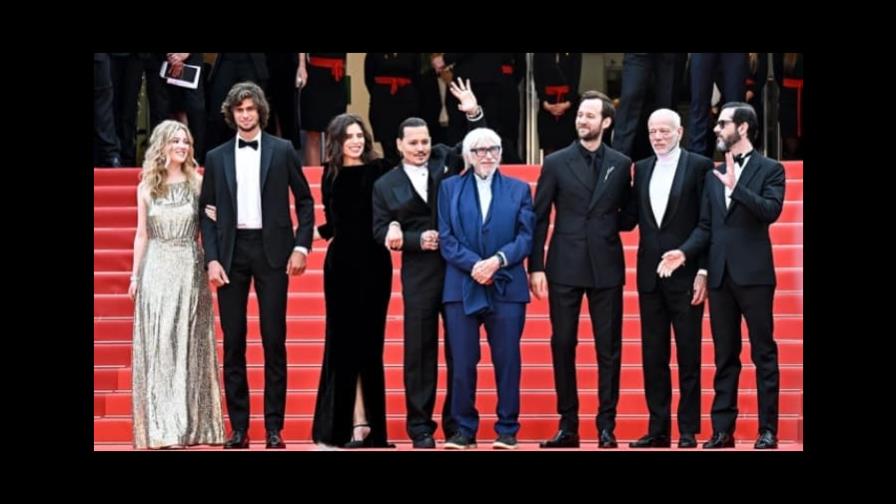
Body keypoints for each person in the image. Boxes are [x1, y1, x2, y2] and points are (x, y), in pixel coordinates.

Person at [658, 102, 785, 449]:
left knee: (763, 354)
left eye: (723, 124)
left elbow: (770, 211)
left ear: (742, 128)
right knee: (724, 355)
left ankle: (767, 430)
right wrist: (686, 253)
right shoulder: (712, 173)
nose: (716, 129)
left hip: (755, 275)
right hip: (719, 276)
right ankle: (722, 431)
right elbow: (706, 225)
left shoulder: (771, 169)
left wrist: (736, 188)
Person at [199, 82, 315, 449]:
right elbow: (206, 213)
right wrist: (212, 258)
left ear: (260, 111)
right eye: (239, 109)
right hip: (232, 253)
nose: (245, 114)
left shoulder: (282, 151)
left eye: (251, 108)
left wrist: (301, 247)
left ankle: (274, 429)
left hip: (273, 252)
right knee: (233, 342)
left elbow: (306, 202)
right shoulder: (216, 157)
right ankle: (238, 429)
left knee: (273, 340)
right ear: (231, 114)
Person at [371, 77, 484, 448]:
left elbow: (477, 146)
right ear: (399, 145)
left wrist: (473, 113)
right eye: (413, 143)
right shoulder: (385, 184)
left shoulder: (445, 160)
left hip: (455, 270)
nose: (421, 149)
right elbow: (379, 229)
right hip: (418, 274)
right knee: (418, 353)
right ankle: (420, 428)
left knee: (459, 349)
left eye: (424, 142)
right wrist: (417, 239)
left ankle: (458, 425)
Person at [529, 90, 632, 449]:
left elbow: (630, 216)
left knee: (609, 349)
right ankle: (568, 425)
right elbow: (539, 217)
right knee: (562, 344)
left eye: (590, 116)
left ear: (606, 122)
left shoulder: (621, 163)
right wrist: (536, 266)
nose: (582, 120)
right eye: (580, 115)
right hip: (564, 265)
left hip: (605, 264)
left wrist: (605, 224)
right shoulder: (556, 162)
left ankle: (607, 426)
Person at [618, 109, 713, 448]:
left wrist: (702, 269)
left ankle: (687, 431)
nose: (657, 137)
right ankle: (658, 429)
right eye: (652, 131)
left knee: (689, 356)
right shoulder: (641, 168)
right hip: (649, 278)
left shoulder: (700, 166)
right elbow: (628, 217)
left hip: (687, 276)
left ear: (680, 132)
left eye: (664, 131)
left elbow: (708, 221)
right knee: (653, 356)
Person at [129, 120, 225, 449]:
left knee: (187, 343)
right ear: (162, 146)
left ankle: (188, 425)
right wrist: (134, 275)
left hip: (188, 265)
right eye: (175, 141)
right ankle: (162, 428)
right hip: (156, 266)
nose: (182, 146)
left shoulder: (198, 183)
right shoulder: (146, 186)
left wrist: (214, 216)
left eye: (185, 140)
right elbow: (141, 234)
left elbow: (210, 221)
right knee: (161, 344)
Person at [437, 127, 534, 449]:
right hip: (461, 285)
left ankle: (507, 429)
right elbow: (446, 237)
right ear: (468, 155)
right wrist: (475, 265)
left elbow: (526, 236)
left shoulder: (519, 189)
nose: (487, 155)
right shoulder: (449, 188)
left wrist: (497, 260)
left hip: (506, 285)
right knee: (462, 361)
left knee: (508, 361)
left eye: (493, 148)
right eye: (479, 150)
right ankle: (464, 430)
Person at [310, 113, 395, 449]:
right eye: (350, 136)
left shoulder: (381, 170)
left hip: (375, 264)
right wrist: (308, 236)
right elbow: (335, 223)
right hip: (341, 267)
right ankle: (350, 426)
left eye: (360, 135)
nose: (357, 141)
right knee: (344, 347)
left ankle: (371, 428)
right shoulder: (329, 175)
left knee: (370, 347)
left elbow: (386, 212)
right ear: (338, 141)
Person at [364, 53, 421, 167]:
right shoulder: (372, 55)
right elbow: (369, 79)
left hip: (407, 101)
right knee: (388, 143)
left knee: (406, 139)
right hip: (383, 101)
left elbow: (417, 77)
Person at [533, 53, 581, 158]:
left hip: (568, 104)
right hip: (547, 104)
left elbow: (576, 77)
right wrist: (544, 101)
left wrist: (568, 102)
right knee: (549, 146)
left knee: (568, 146)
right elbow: (537, 76)